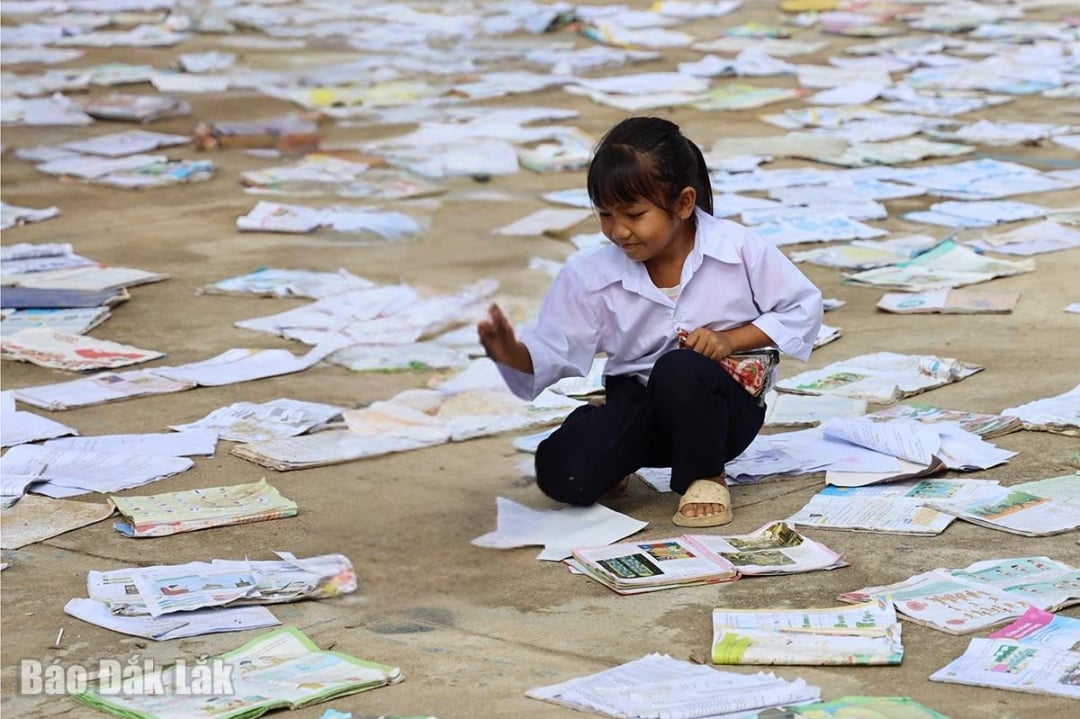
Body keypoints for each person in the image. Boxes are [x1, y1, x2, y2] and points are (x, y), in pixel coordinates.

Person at [477, 116, 823, 527]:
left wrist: (730, 340)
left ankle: (705, 476)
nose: (619, 231)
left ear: (683, 203)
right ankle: (603, 423)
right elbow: (553, 349)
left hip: (721, 410)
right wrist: (510, 353)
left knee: (680, 368)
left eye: (634, 214)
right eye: (606, 215)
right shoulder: (589, 275)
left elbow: (801, 308)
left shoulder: (737, 248)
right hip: (640, 405)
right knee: (564, 476)